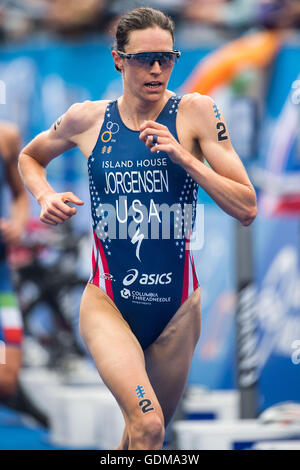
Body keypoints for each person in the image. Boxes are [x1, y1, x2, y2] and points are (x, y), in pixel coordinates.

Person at [18, 7, 257, 450]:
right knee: (149, 426)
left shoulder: (197, 112)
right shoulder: (86, 119)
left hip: (177, 311)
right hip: (109, 303)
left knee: (142, 436)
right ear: (118, 60)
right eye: (144, 58)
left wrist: (186, 159)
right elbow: (29, 158)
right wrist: (45, 196)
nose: (156, 69)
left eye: (167, 58)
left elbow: (246, 207)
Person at [0, 122, 27, 399]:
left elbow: (19, 196)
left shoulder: (6, 136)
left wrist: (17, 226)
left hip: (1, 279)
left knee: (6, 379)